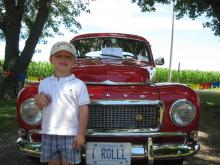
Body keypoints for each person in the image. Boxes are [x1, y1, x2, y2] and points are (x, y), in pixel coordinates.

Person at [34, 41, 90, 165]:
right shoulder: (44, 83)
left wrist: (81, 134)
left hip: (70, 134)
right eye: (59, 56)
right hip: (48, 132)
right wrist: (38, 99)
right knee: (52, 162)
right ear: (51, 59)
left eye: (68, 57)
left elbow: (84, 110)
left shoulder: (79, 85)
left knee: (68, 163)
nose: (63, 59)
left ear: (74, 62)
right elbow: (39, 106)